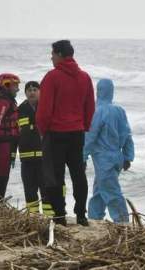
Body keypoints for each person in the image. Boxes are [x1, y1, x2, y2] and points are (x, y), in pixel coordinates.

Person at [36, 40, 95, 226]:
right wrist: (84, 125)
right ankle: (81, 215)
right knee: (78, 174)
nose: (51, 57)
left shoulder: (52, 77)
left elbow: (44, 110)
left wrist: (42, 130)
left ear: (60, 54)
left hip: (55, 133)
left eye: (53, 53)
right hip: (77, 133)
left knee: (55, 176)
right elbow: (90, 107)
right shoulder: (85, 77)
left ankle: (60, 215)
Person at [83, 79, 134, 223]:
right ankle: (94, 218)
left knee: (111, 192)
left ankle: (122, 221)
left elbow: (90, 136)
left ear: (98, 91)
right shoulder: (119, 111)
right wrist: (128, 156)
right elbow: (127, 134)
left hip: (103, 158)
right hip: (117, 156)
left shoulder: (97, 111)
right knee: (100, 190)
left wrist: (82, 156)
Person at [17, 81, 54, 216]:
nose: (32, 92)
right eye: (29, 90)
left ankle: (50, 217)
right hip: (26, 159)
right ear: (25, 93)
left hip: (44, 158)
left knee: (46, 190)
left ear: (40, 92)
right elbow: (15, 133)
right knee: (29, 190)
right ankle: (33, 217)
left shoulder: (46, 107)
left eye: (35, 89)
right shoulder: (20, 109)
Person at [0, 73, 20, 199]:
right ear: (6, 85)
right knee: (2, 176)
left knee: (3, 175)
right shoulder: (3, 103)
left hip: (7, 145)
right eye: (15, 85)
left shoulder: (8, 101)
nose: (17, 89)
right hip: (2, 145)